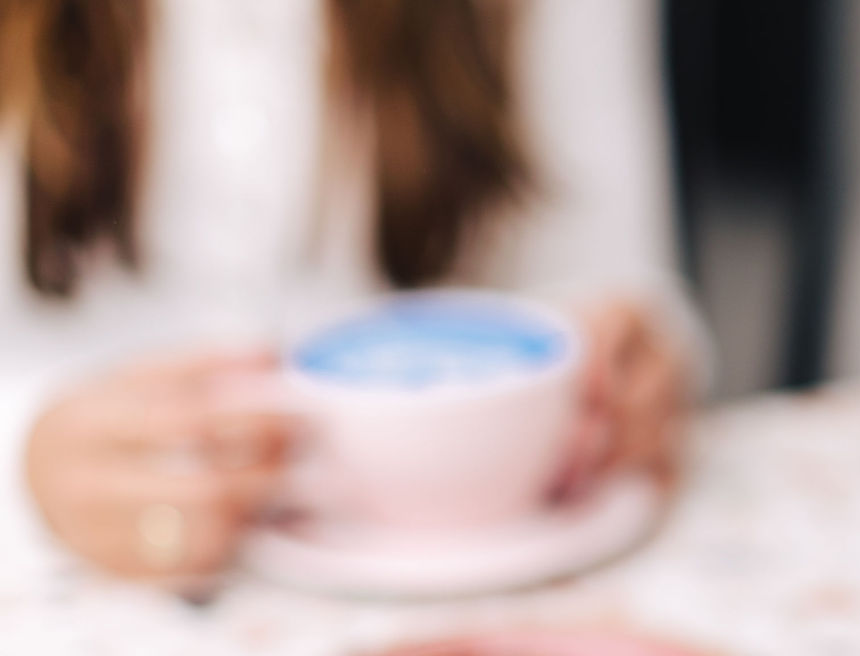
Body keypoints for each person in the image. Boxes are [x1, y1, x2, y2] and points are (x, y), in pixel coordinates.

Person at [0, 0, 700, 586]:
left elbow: (623, 283)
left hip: (445, 583)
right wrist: (27, 468)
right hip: (63, 602)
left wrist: (635, 367)